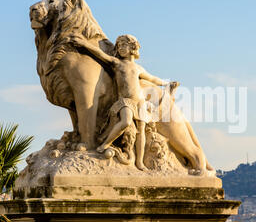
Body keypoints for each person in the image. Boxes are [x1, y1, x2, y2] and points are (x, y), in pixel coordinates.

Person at [69, 34, 178, 171]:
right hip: (125, 101)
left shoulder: (138, 68)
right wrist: (84, 44)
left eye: (124, 45)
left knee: (141, 131)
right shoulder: (117, 63)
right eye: (119, 46)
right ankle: (104, 145)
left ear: (133, 47)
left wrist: (167, 83)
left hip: (139, 102)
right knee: (126, 122)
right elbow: (100, 54)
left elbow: (153, 79)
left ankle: (139, 162)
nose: (120, 48)